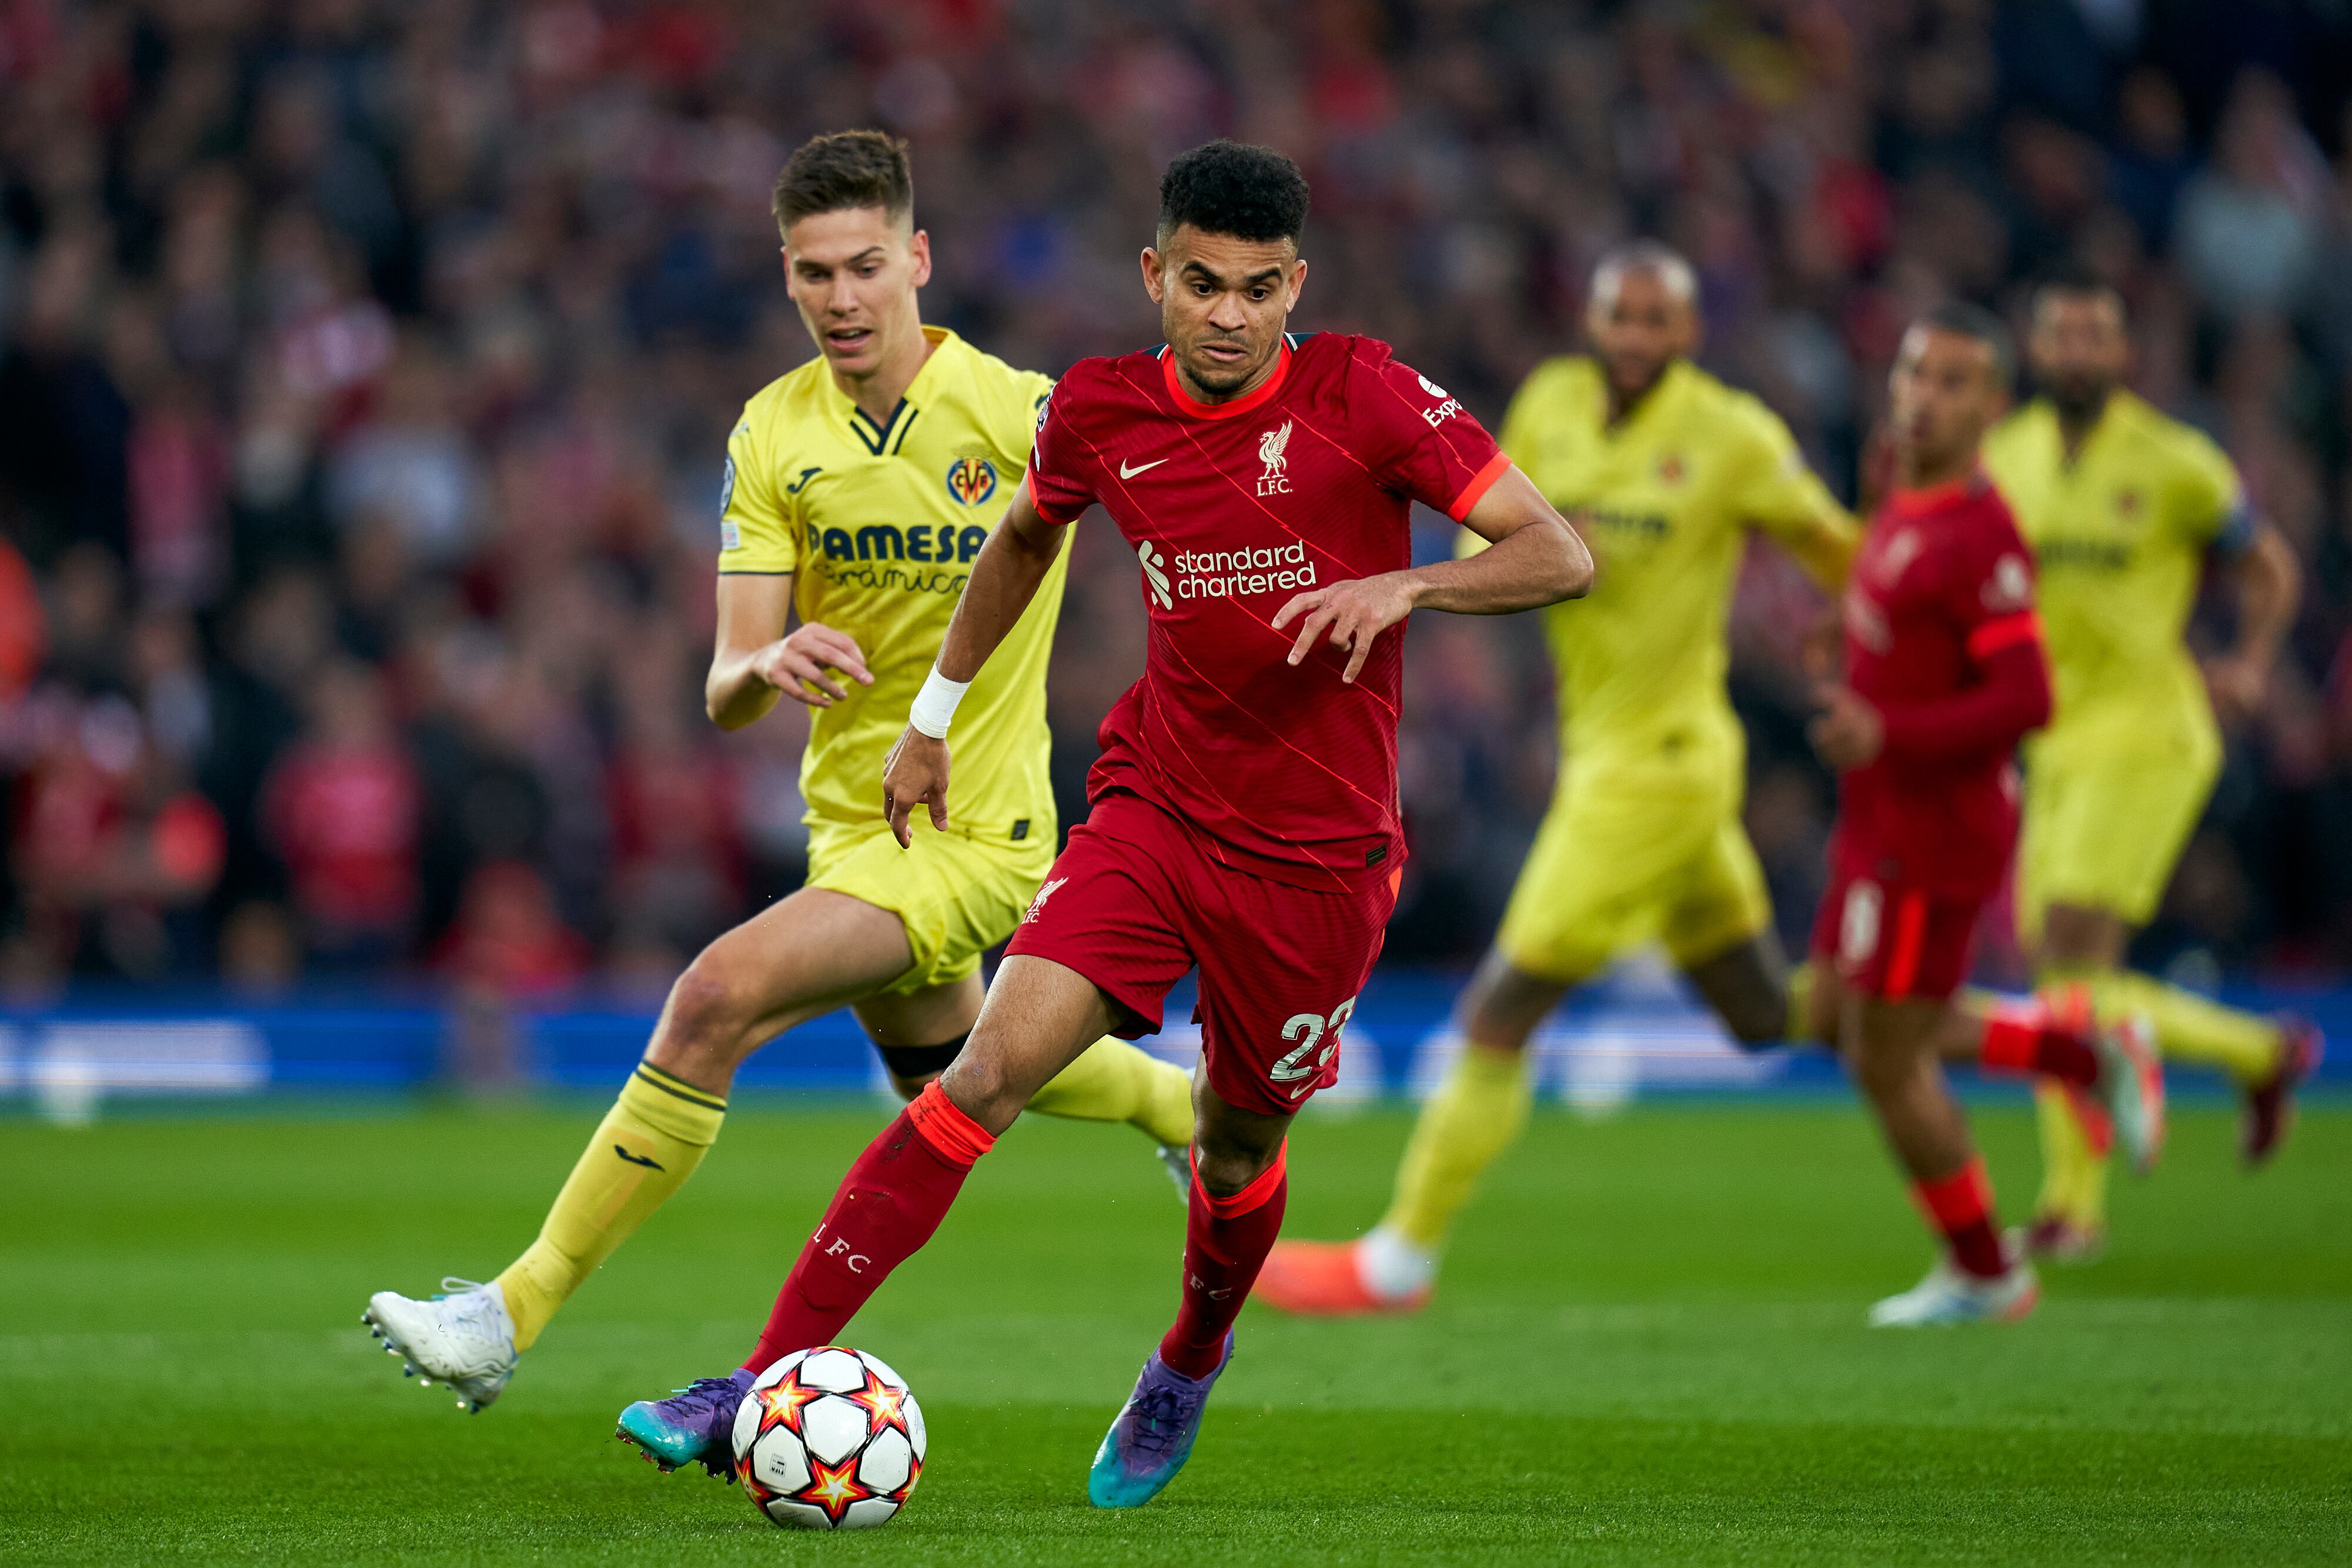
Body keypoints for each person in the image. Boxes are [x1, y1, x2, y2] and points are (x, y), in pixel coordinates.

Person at [609, 139, 1592, 1507]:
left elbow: (1558, 550)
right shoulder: (1098, 410)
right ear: (1153, 275)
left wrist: (1410, 587)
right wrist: (931, 715)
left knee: (1237, 1147)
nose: (1229, 315)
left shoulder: (1363, 393)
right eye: (1201, 283)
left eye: (1258, 289)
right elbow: (1021, 536)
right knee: (983, 1075)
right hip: (1154, 810)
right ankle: (753, 1378)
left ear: (1295, 284)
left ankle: (1187, 1356)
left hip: (1316, 858)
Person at [360, 131, 1195, 1420]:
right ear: (788, 276)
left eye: (865, 265)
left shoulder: (1023, 410)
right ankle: (1179, 1106)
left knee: (713, 996)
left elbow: (1183, 509)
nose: (841, 297)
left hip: (977, 830)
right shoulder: (772, 433)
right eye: (814, 272)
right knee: (963, 1067)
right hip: (848, 827)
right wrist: (769, 659)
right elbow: (725, 685)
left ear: (917, 259)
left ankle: (506, 1313)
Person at [1253, 242, 1860, 1314]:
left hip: (1658, 774)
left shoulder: (1732, 436)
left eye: (1655, 321)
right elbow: (1489, 546)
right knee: (1765, 1014)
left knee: (1502, 1006)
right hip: (1612, 758)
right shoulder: (1552, 405)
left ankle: (1400, 1258)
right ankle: (2041, 1036)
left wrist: (1858, 638)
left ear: (1688, 332)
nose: (1634, 338)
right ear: (1593, 320)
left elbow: (1842, 551)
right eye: (1619, 317)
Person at [1808, 306, 2164, 1328]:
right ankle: (2083, 1053)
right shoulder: (1895, 478)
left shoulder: (1982, 533)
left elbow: (2027, 699)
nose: (1923, 397)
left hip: (1935, 830)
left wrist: (1886, 729)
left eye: (1953, 382)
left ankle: (1985, 1271)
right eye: (1915, 373)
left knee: (1888, 1057)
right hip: (1874, 816)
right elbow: (1901, 616)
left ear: (1994, 407)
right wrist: (1846, 637)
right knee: (1837, 1016)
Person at [1982, 267, 2320, 1263]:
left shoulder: (2177, 463)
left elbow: (2270, 567)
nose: (2077, 352)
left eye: (2095, 335)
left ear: (2124, 351)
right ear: (2036, 348)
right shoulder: (2006, 457)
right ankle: (2256, 1054)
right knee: (2058, 980)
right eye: (2061, 334)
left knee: (2070, 957)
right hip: (2051, 740)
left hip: (2148, 733)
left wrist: (2251, 662)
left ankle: (2073, 1203)